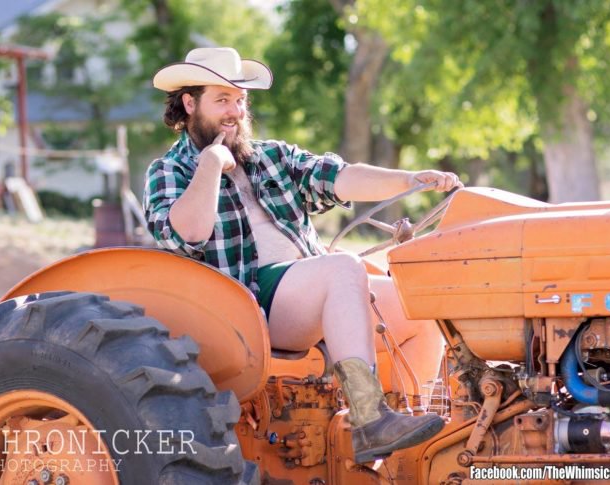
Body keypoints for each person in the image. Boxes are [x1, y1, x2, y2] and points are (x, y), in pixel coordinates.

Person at [144, 47, 463, 464]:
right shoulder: (169, 171)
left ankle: (408, 444)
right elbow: (189, 232)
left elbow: (340, 177)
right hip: (245, 308)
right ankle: (370, 416)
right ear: (190, 104)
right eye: (222, 100)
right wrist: (209, 165)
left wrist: (409, 179)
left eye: (240, 100)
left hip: (308, 289)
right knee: (341, 268)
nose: (236, 112)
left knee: (421, 306)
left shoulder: (270, 158)